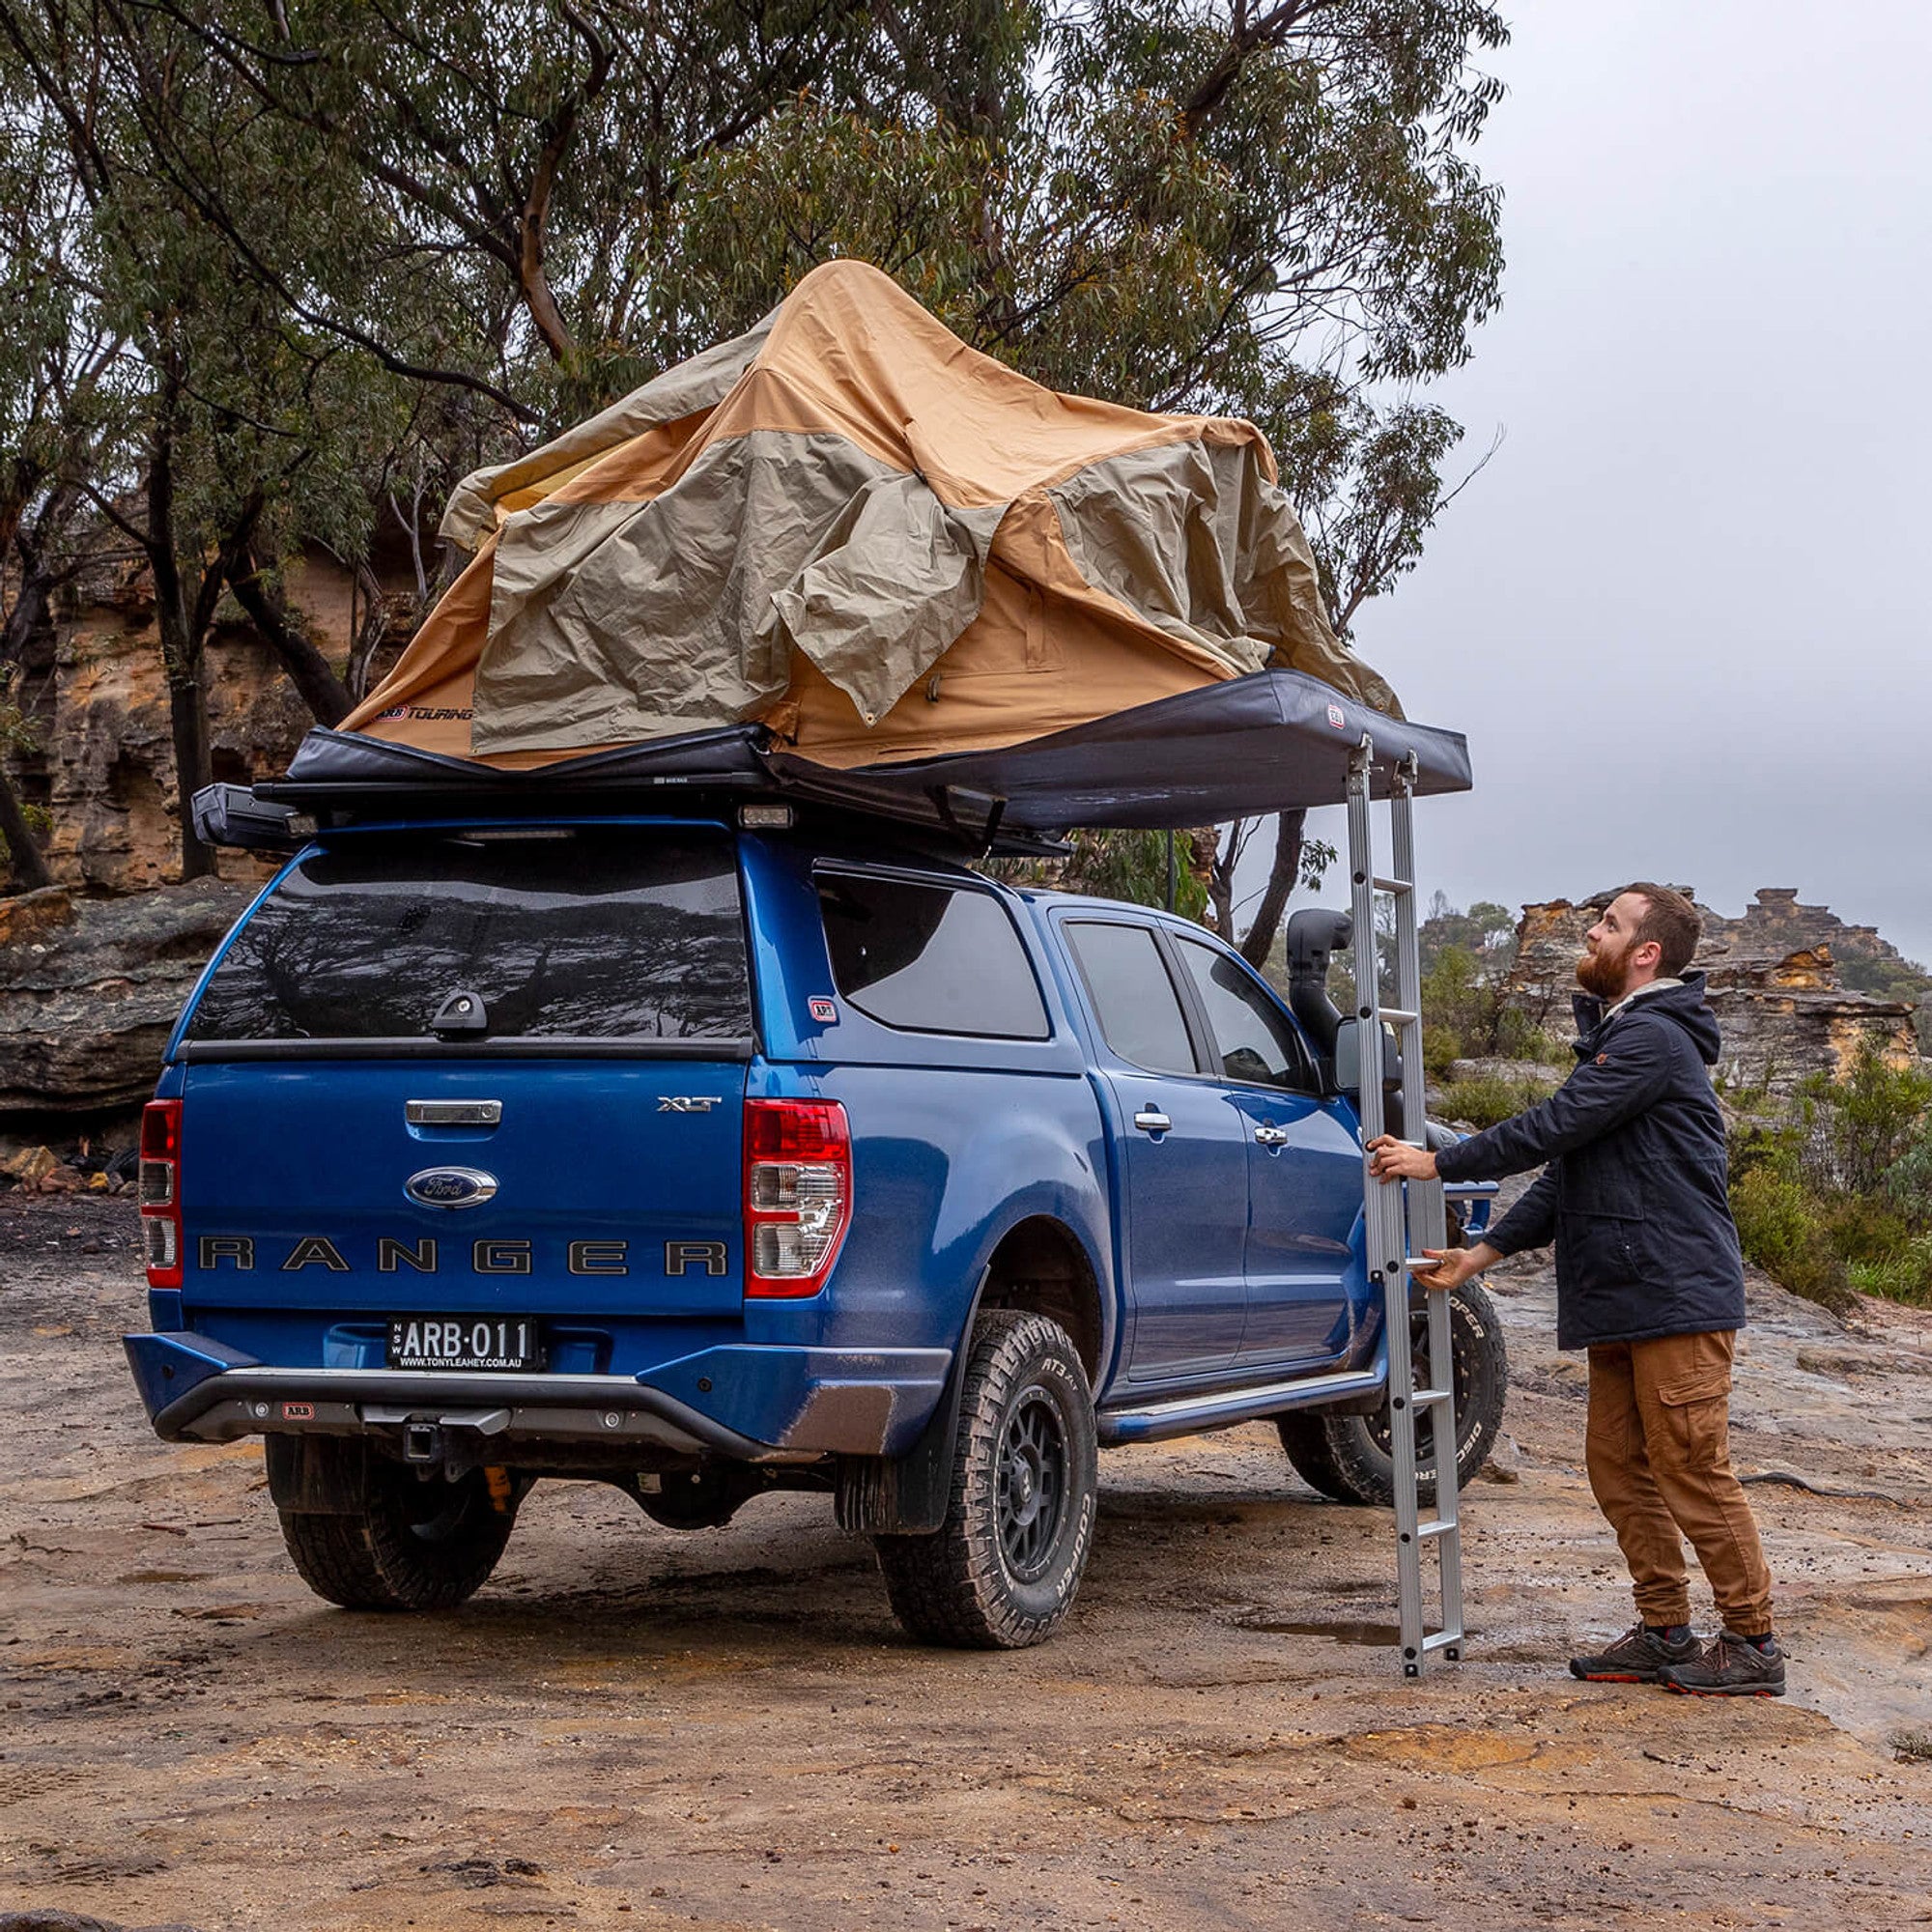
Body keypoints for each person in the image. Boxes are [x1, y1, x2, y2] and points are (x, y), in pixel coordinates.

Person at [1366, 884, 1784, 1697]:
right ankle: (1665, 1629)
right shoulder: (1625, 1038)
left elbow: (1554, 1123)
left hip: (1676, 1293)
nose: (1591, 936)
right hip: (1624, 1293)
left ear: (1645, 953)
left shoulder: (1654, 1041)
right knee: (1618, 1468)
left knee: (1692, 1466)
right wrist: (1475, 1257)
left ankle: (1754, 1640)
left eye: (1608, 926)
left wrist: (1437, 1161)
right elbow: (1569, 1171)